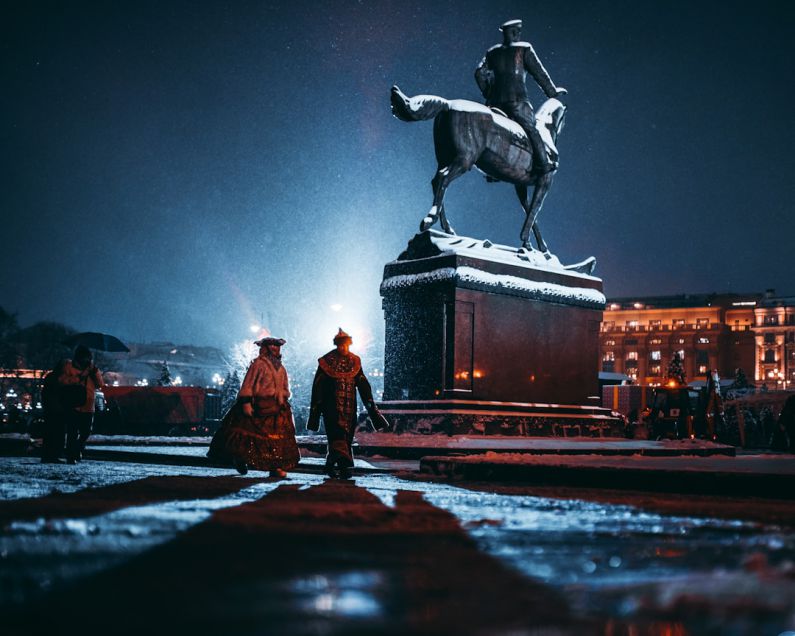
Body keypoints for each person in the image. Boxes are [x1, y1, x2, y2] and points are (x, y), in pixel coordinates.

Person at [474, 19, 567, 174]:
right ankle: (543, 164)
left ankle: (492, 172)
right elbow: (539, 73)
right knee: (532, 130)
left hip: (494, 103)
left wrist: (488, 92)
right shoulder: (524, 49)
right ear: (514, 32)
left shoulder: (492, 52)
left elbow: (478, 73)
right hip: (517, 103)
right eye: (517, 31)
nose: (518, 34)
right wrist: (552, 92)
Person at [207, 336, 299, 477]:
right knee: (246, 436)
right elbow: (248, 384)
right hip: (257, 405)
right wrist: (246, 402)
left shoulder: (281, 368)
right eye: (273, 348)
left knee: (278, 438)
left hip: (277, 406)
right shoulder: (257, 364)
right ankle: (240, 458)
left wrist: (284, 399)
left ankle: (276, 467)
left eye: (277, 348)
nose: (276, 351)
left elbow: (285, 387)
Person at [307, 329, 389, 479]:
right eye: (340, 345)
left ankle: (334, 464)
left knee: (346, 436)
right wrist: (315, 413)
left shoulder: (355, 361)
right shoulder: (327, 361)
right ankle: (341, 465)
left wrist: (372, 409)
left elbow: (363, 386)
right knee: (336, 436)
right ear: (337, 345)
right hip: (331, 407)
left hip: (350, 408)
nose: (343, 348)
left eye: (345, 345)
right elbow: (318, 388)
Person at [58, 345, 103, 464]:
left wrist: (94, 372)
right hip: (74, 404)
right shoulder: (69, 367)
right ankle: (71, 455)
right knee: (72, 431)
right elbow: (62, 381)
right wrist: (79, 378)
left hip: (88, 404)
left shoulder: (92, 369)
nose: (86, 360)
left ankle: (77, 449)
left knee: (86, 431)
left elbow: (100, 384)